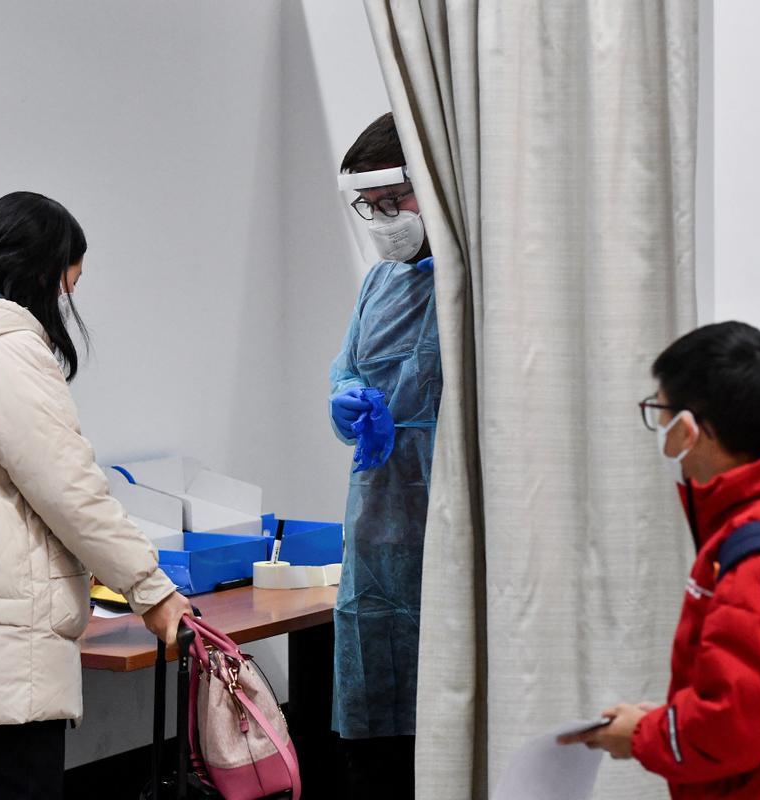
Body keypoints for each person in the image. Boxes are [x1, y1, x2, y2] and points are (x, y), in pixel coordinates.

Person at [0, 191, 191, 799]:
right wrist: (152, 591)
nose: (64, 303)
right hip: (5, 658)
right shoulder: (6, 351)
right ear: (38, 271)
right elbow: (71, 492)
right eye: (64, 285)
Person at [559, 321, 760, 798]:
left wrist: (639, 735)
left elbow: (734, 723)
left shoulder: (757, 564)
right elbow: (754, 691)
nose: (659, 427)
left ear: (692, 429)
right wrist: (661, 720)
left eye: (660, 410)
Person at [328, 112, 441, 799]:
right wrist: (347, 402)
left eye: (393, 201)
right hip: (376, 539)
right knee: (374, 749)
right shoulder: (379, 283)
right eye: (369, 206)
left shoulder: (474, 290)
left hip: (443, 534)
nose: (382, 219)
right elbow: (346, 372)